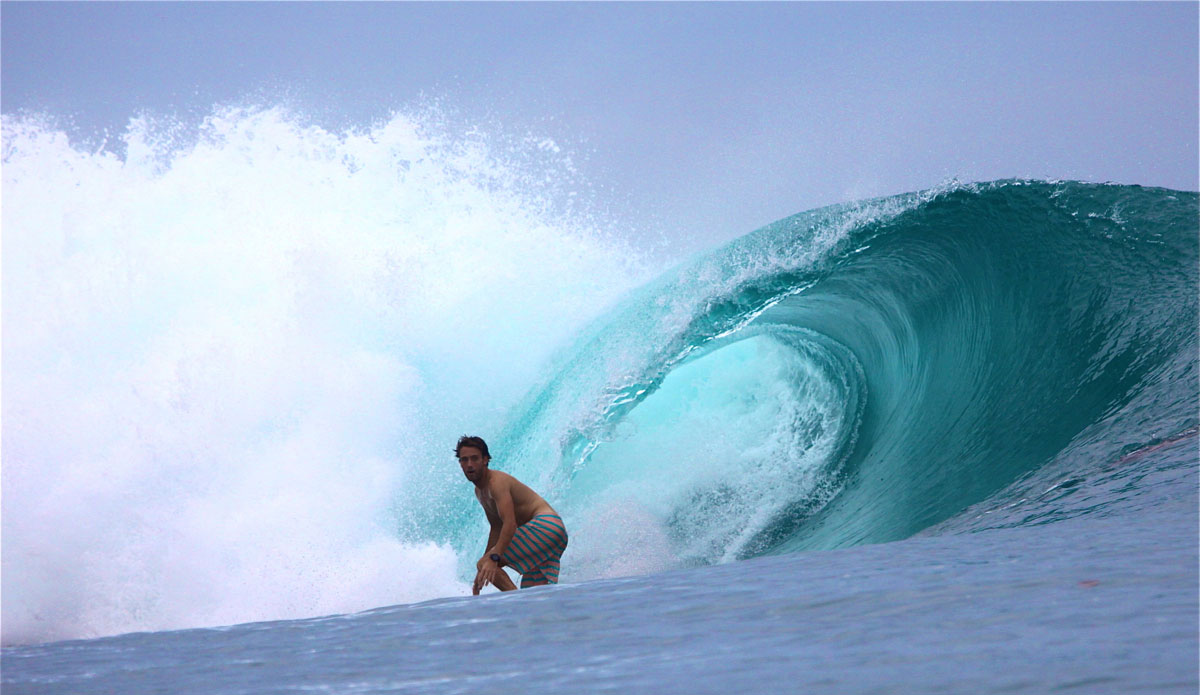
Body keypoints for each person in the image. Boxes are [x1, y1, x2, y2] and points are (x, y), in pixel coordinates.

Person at [456, 435, 568, 594]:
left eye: (474, 458)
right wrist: (483, 568)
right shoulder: (480, 491)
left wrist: (491, 559)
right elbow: (496, 527)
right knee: (537, 596)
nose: (469, 465)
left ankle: (518, 603)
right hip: (551, 532)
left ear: (485, 459)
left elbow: (510, 524)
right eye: (464, 460)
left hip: (545, 526)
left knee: (487, 564)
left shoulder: (496, 483)